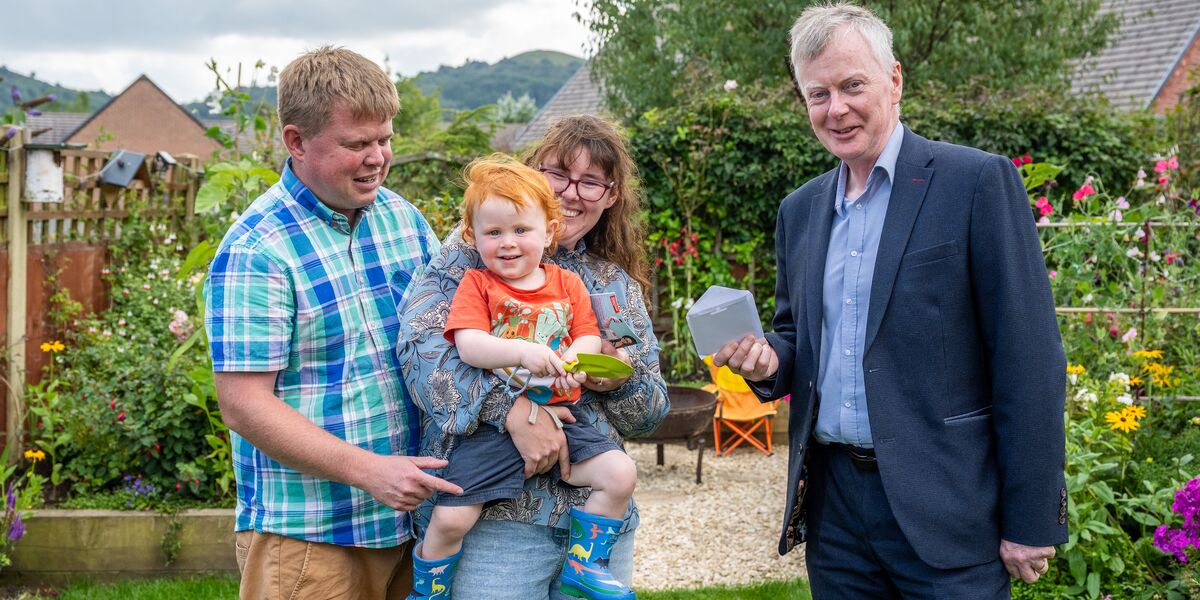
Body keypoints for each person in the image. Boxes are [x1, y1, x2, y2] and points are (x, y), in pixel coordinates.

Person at [714, 4, 1068, 598]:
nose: (837, 109)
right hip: (836, 513)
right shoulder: (799, 211)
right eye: (818, 93)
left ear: (895, 80)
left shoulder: (976, 183)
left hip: (948, 507)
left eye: (853, 85)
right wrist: (770, 361)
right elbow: (797, 336)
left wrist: (1031, 520)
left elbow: (1028, 357)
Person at [205, 46, 461, 599]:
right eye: (356, 144)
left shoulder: (403, 220)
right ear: (296, 141)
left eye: (385, 139)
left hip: (411, 525)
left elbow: (447, 337)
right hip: (310, 538)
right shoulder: (257, 249)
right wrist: (372, 471)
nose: (377, 158)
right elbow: (244, 404)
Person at [398, 115, 669, 600]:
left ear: (610, 197)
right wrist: (514, 413)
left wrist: (613, 377)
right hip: (496, 527)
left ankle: (588, 563)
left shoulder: (612, 285)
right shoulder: (469, 261)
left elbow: (649, 414)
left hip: (595, 523)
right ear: (533, 173)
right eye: (558, 173)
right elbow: (424, 359)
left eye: (591, 182)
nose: (572, 192)